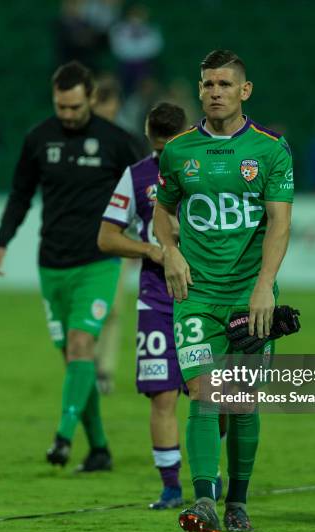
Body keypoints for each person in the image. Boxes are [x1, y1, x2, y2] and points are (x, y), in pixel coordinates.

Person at [153, 50, 294, 532]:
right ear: (199, 90)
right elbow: (162, 210)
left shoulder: (271, 149)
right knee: (203, 392)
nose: (215, 92)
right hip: (195, 295)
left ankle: (238, 500)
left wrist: (263, 289)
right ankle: (206, 501)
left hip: (249, 296)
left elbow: (280, 223)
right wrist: (169, 251)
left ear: (244, 91)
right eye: (208, 84)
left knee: (243, 401)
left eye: (224, 85)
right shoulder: (178, 151)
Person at [0, 60, 144, 472]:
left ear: (91, 98)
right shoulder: (38, 139)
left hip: (98, 262)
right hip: (52, 265)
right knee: (75, 361)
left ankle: (62, 437)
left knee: (80, 346)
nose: (68, 115)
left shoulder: (117, 142)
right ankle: (100, 450)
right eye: (61, 107)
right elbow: (20, 194)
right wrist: (1, 242)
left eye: (75, 107)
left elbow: (153, 184)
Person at [98, 102, 191, 509]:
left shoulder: (207, 169)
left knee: (216, 397)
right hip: (156, 298)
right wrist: (150, 251)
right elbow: (106, 237)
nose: (162, 155)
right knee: (162, 394)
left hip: (205, 295)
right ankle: (170, 486)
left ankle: (212, 475)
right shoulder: (136, 176)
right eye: (157, 148)